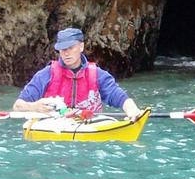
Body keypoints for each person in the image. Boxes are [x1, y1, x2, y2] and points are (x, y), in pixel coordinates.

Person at [13, 27, 144, 120]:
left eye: (70, 48)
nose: (66, 53)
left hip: (89, 127)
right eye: (62, 49)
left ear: (81, 47)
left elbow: (118, 96)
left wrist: (131, 109)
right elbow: (18, 106)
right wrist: (34, 107)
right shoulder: (45, 75)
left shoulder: (97, 75)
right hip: (54, 129)